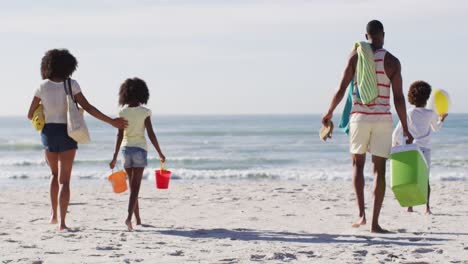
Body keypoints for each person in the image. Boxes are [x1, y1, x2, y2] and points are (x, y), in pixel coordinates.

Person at [321, 20, 414, 233]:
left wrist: (328, 112)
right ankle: (374, 223)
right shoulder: (392, 61)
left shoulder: (355, 56)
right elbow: (399, 98)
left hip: (360, 118)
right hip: (382, 119)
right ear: (383, 34)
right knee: (379, 171)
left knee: (357, 166)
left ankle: (361, 215)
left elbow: (341, 89)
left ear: (366, 35)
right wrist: (406, 128)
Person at [27, 49, 128, 231]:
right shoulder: (71, 84)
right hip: (68, 132)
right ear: (69, 66)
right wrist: (112, 122)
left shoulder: (42, 86)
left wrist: (45, 107)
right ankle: (63, 224)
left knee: (54, 175)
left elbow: (29, 115)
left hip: (49, 132)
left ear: (48, 65)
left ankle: (53, 215)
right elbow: (88, 107)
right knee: (65, 180)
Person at [109, 77, 166, 231]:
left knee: (133, 187)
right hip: (140, 150)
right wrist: (160, 153)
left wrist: (114, 157)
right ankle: (128, 218)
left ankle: (138, 219)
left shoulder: (122, 112)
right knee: (135, 187)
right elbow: (151, 134)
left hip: (126, 150)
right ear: (142, 94)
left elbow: (119, 136)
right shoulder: (145, 112)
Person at [392, 81, 448, 215]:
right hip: (425, 150)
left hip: (410, 150)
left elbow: (397, 131)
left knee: (411, 178)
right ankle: (427, 208)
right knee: (425, 179)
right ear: (427, 97)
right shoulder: (430, 113)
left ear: (411, 97)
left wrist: (395, 143)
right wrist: (442, 119)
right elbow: (436, 128)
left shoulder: (408, 113)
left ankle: (410, 206)